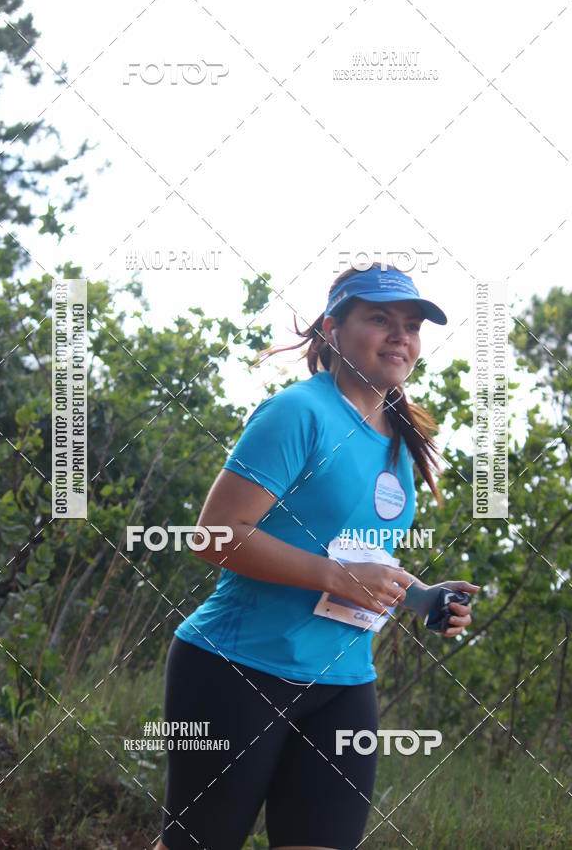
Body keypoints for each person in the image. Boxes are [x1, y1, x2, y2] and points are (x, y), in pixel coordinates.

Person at [155, 263, 479, 850]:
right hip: (237, 668)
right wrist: (336, 576)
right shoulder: (297, 412)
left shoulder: (399, 438)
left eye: (411, 324)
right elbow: (215, 534)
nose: (400, 335)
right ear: (332, 329)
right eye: (380, 318)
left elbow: (356, 557)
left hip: (344, 681)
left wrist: (420, 597)